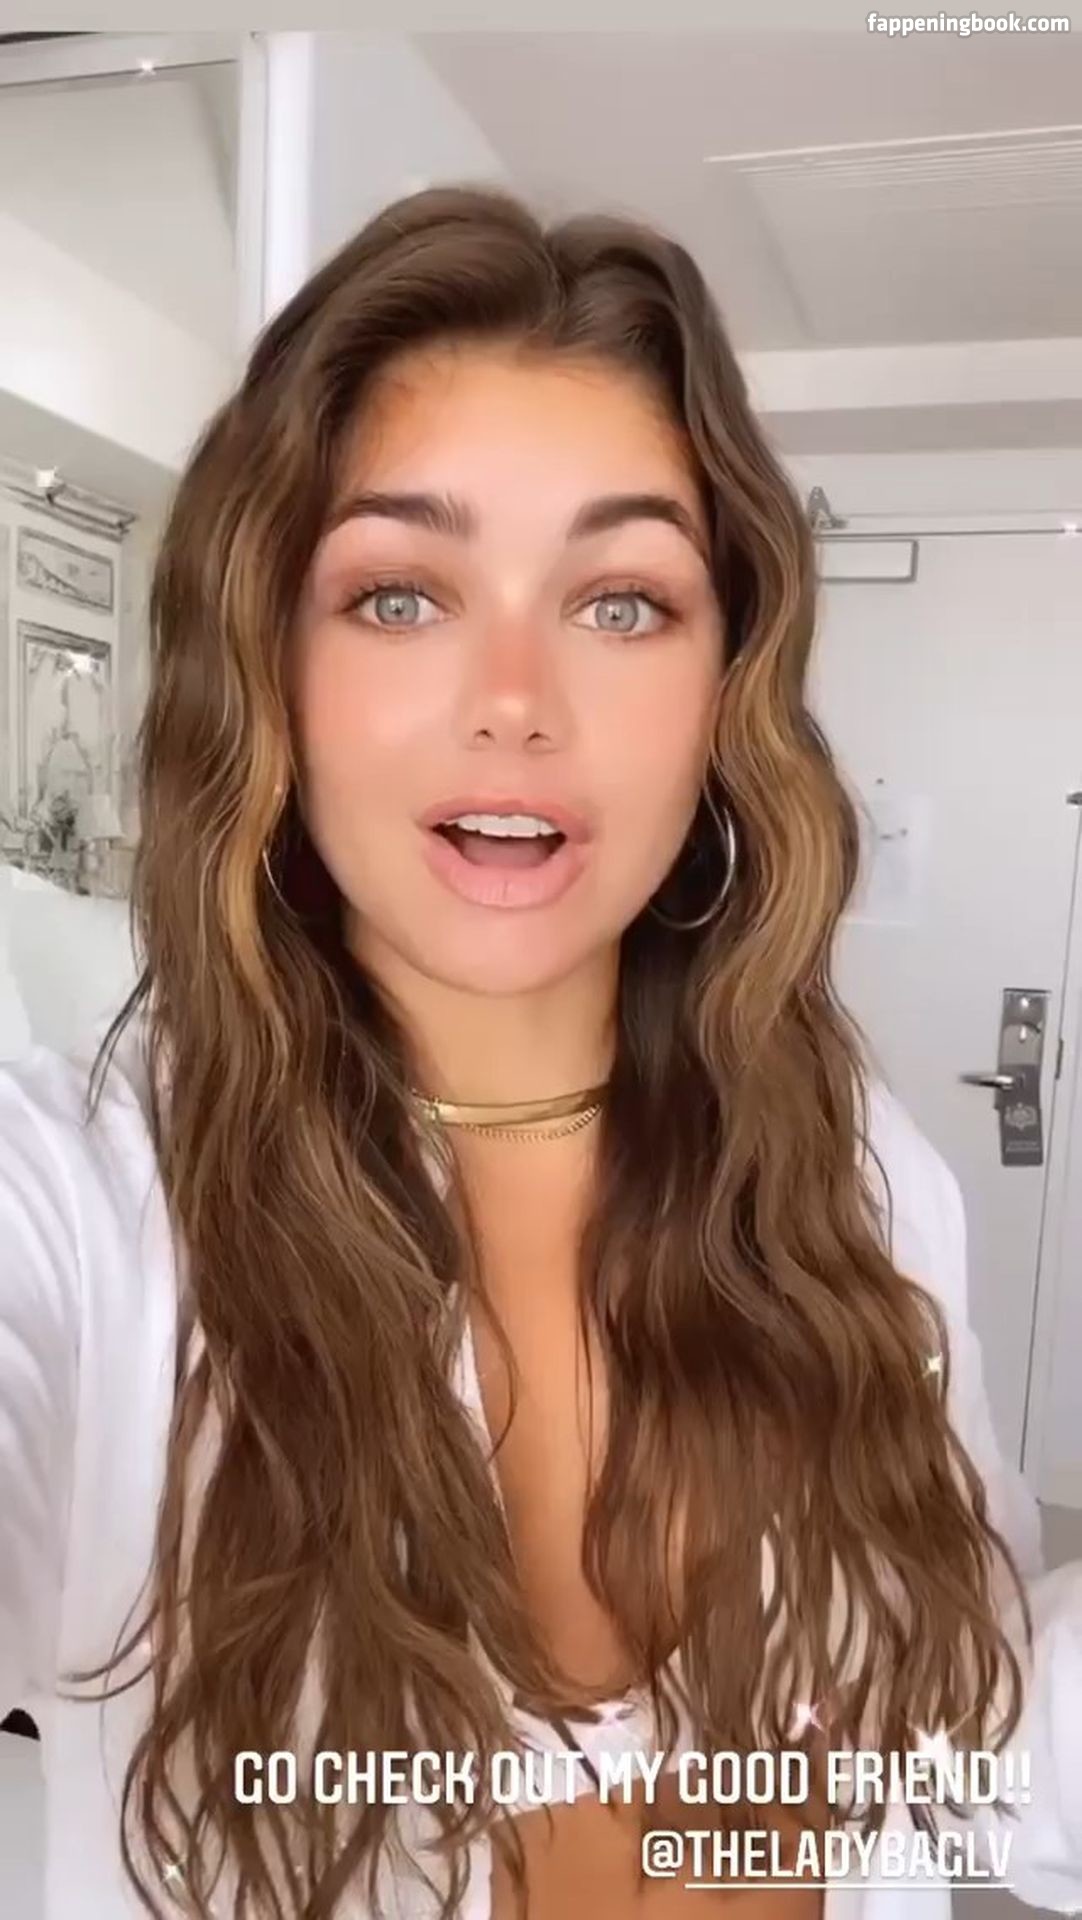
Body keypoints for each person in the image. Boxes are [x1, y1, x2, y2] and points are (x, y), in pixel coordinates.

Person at [0, 183, 1079, 1920]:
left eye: (621, 603)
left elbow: (954, 1742)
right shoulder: (72, 1209)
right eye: (398, 596)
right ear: (269, 662)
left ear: (727, 685)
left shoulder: (858, 1171)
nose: (515, 698)